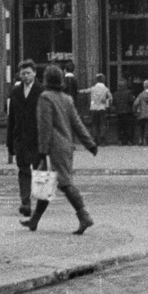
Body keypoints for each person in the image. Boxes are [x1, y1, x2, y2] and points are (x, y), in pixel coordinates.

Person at [27, 64, 96, 233]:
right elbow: (77, 123)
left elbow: (45, 126)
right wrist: (89, 144)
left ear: (46, 80)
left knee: (64, 184)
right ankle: (34, 221)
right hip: (66, 146)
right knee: (46, 183)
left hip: (52, 147)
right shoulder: (67, 99)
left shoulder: (45, 98)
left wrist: (42, 151)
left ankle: (84, 216)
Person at [6, 59, 42, 220]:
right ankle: (26, 203)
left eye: (28, 73)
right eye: (23, 74)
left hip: (38, 139)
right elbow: (11, 118)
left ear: (34, 73)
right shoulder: (15, 92)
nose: (25, 76)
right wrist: (10, 143)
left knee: (40, 172)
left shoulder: (42, 91)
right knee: (24, 171)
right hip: (20, 138)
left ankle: (40, 205)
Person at [85, 73, 112, 144]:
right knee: (102, 123)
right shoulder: (106, 89)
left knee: (94, 123)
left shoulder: (93, 89)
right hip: (102, 108)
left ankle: (95, 138)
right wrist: (107, 106)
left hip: (93, 108)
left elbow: (86, 93)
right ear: (103, 80)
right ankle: (102, 138)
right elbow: (110, 99)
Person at [112, 75, 136, 146]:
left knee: (120, 127)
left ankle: (120, 140)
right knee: (129, 127)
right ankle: (129, 141)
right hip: (128, 112)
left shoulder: (115, 93)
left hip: (119, 112)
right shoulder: (129, 92)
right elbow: (132, 101)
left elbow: (114, 102)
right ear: (126, 85)